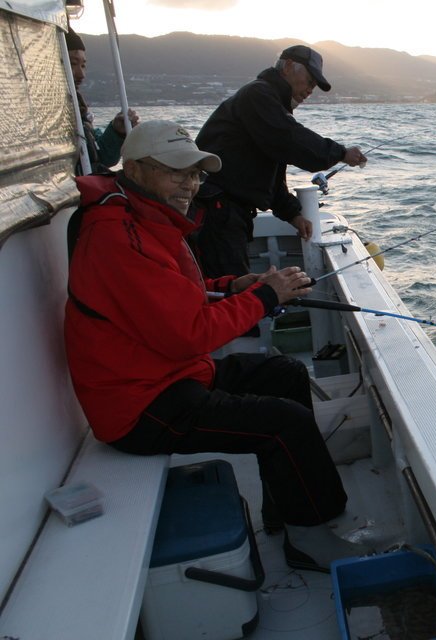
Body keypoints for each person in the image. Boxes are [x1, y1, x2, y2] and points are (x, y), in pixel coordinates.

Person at [65, 120, 369, 572]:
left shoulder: (141, 218)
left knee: (285, 374)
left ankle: (285, 510)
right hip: (138, 406)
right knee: (285, 424)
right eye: (176, 172)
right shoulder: (118, 237)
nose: (189, 185)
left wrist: (234, 285)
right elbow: (188, 334)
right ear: (135, 168)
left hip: (166, 375)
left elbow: (173, 294)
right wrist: (266, 296)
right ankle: (310, 539)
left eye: (194, 174)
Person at [195, 44, 367, 278]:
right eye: (309, 81)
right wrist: (339, 152)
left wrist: (293, 214)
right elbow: (291, 140)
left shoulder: (269, 103)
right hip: (217, 211)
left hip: (229, 211)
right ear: (287, 66)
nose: (310, 90)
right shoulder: (259, 95)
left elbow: (270, 171)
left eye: (314, 86)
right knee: (230, 290)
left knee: (233, 288)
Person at [66, 27, 140, 173]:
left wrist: (116, 131)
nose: (81, 74)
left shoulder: (79, 110)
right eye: (73, 64)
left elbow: (99, 157)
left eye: (83, 65)